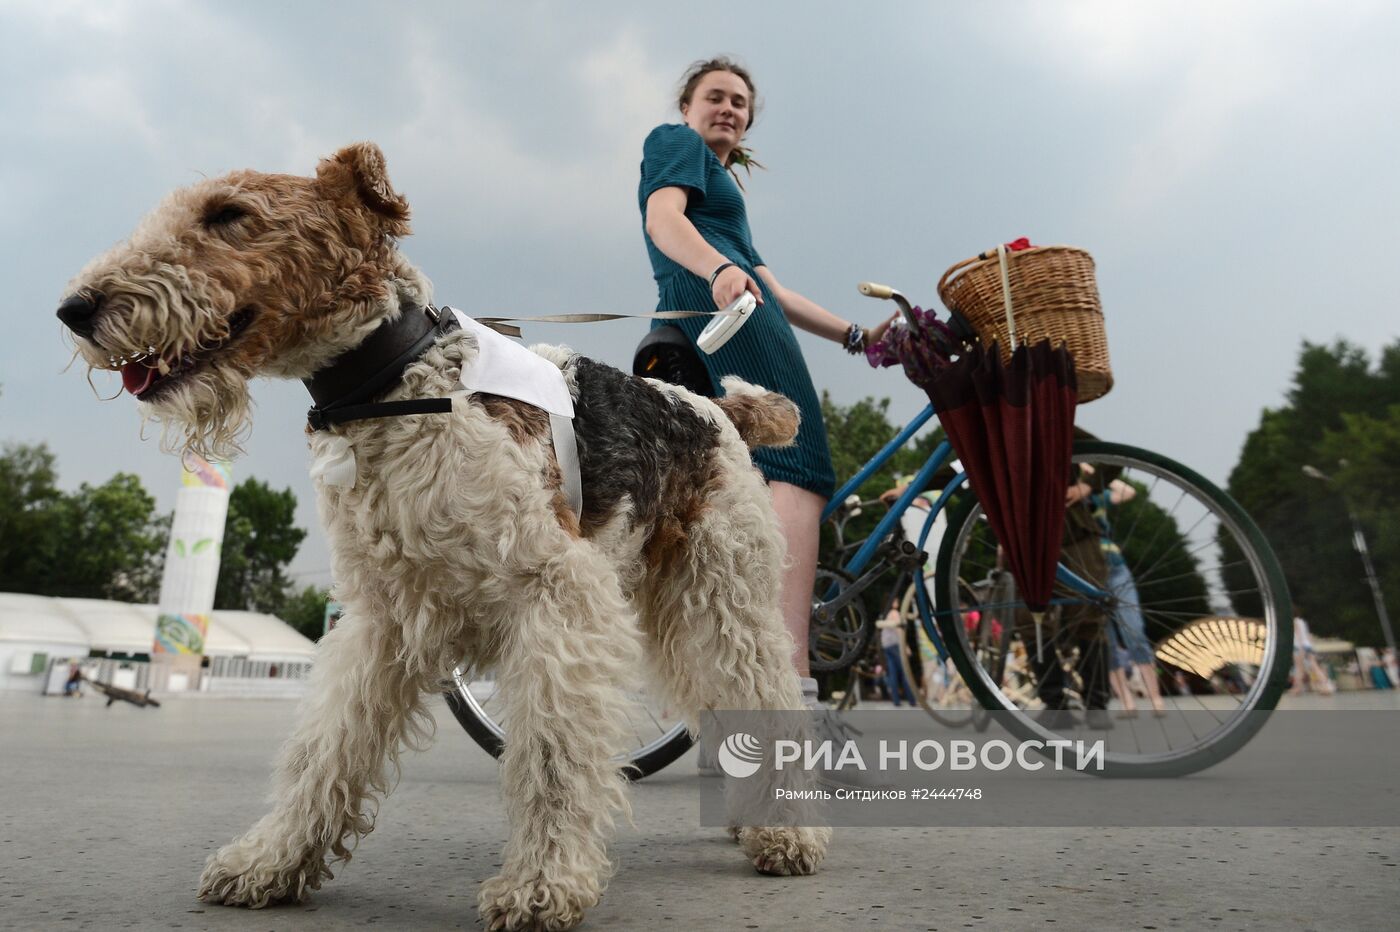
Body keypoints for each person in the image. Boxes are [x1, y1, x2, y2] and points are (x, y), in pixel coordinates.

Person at [639, 57, 894, 712]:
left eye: (740, 102)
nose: (728, 107)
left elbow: (773, 286)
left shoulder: (722, 185)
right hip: (731, 320)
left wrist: (858, 336)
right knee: (798, 470)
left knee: (743, 497)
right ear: (687, 107)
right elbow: (663, 219)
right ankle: (790, 687)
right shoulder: (676, 143)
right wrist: (719, 270)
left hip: (746, 312)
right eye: (715, 96)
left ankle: (747, 691)